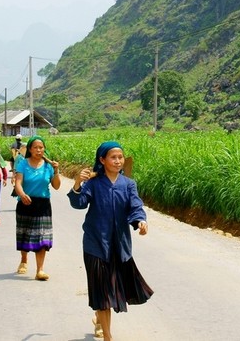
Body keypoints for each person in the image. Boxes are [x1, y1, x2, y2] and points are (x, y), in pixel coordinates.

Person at [67, 141, 153, 341]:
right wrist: (77, 184)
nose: (117, 161)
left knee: (111, 290)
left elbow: (135, 205)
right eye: (113, 157)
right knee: (102, 293)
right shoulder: (94, 183)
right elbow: (78, 203)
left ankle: (99, 320)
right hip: (95, 244)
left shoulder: (128, 184)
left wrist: (140, 220)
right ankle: (108, 337)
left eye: (120, 157)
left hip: (119, 246)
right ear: (102, 160)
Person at [13, 136, 61, 280]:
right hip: (26, 203)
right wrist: (22, 194)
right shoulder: (23, 163)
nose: (38, 150)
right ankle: (24, 260)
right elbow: (18, 182)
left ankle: (40, 270)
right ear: (30, 149)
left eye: (41, 147)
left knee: (42, 236)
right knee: (25, 233)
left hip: (43, 205)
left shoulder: (48, 166)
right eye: (35, 147)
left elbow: (57, 186)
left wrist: (57, 171)